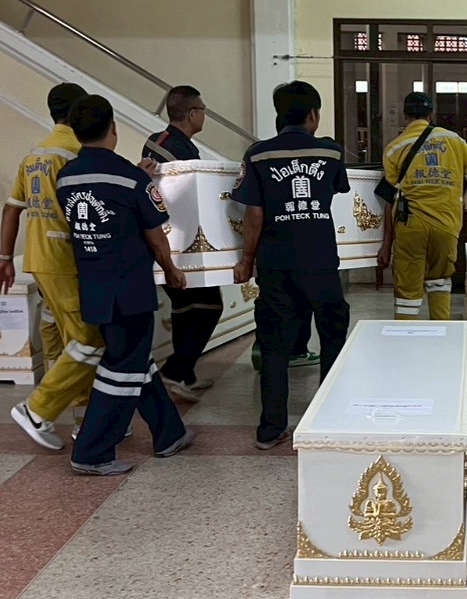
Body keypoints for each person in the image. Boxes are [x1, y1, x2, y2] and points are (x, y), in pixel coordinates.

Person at [57, 95, 197, 475]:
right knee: (122, 367)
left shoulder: (67, 176)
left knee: (135, 359)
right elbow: (155, 234)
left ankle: (169, 433)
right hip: (129, 288)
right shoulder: (131, 179)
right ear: (114, 129)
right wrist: (171, 269)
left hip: (94, 286)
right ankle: (91, 452)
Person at [232, 81, 352, 450]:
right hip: (320, 261)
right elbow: (339, 191)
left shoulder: (257, 155)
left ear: (278, 115)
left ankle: (271, 428)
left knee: (274, 345)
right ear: (313, 114)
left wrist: (246, 260)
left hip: (275, 262)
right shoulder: (331, 152)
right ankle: (328, 416)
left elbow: (254, 214)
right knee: (332, 334)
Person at [0, 82, 102, 451]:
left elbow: (12, 208)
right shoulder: (75, 152)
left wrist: (5, 259)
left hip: (38, 259)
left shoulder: (35, 154)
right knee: (87, 340)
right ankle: (39, 409)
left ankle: (82, 419)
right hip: (65, 258)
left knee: (62, 336)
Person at [376, 92, 467, 320]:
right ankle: (442, 333)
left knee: (407, 295)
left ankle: (406, 335)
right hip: (446, 227)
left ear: (405, 115)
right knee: (440, 283)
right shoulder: (454, 140)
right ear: (431, 115)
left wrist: (386, 245)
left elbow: (390, 199)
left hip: (411, 227)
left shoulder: (394, 148)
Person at [142, 85, 224, 400]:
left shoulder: (172, 143)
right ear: (192, 114)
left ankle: (184, 374)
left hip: (177, 242)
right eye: (203, 110)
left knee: (186, 307)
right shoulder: (170, 147)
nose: (204, 115)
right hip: (175, 242)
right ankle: (175, 370)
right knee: (208, 306)